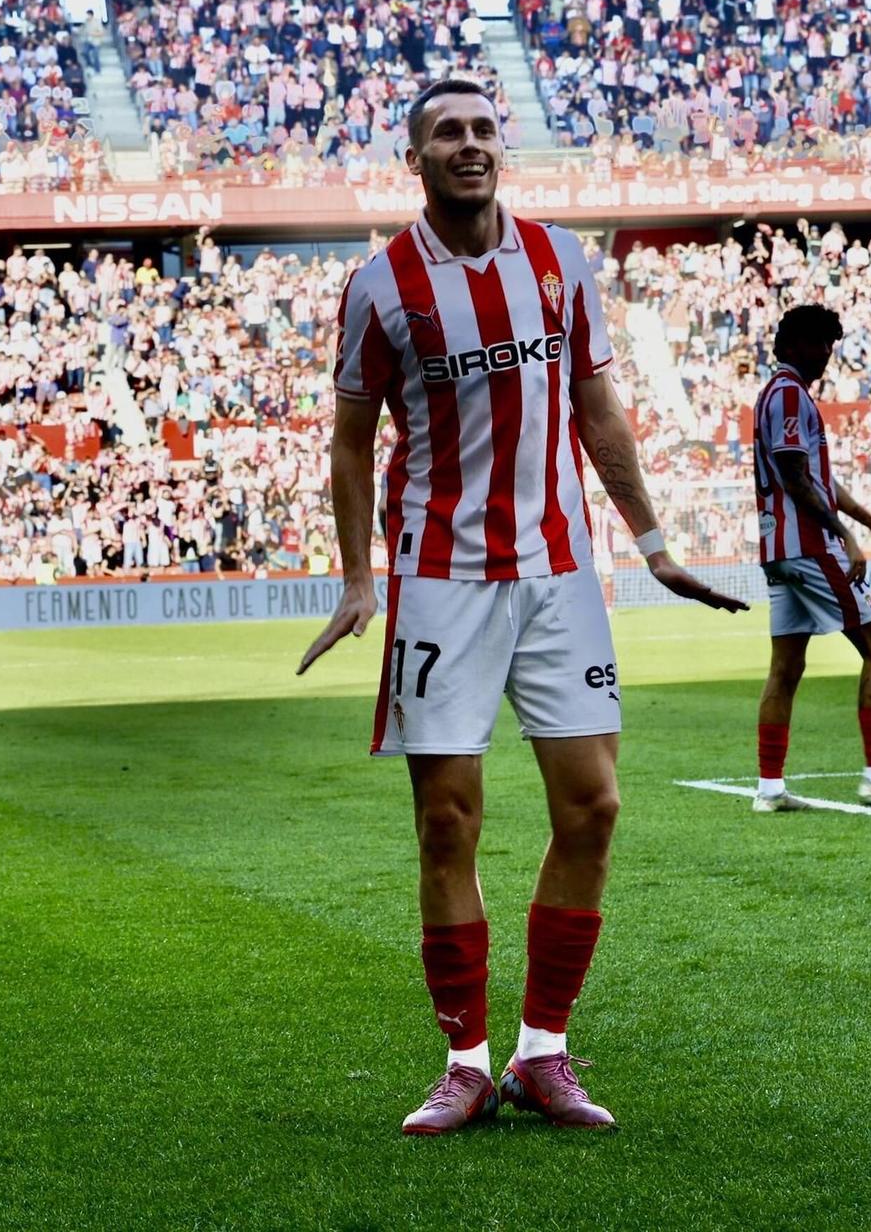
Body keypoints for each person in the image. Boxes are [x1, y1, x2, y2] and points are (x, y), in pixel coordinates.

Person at [295, 79, 745, 1138]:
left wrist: (654, 545)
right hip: (439, 578)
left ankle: (543, 1051)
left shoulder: (560, 260)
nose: (469, 144)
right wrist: (358, 578)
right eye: (446, 132)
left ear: (503, 147)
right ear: (414, 159)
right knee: (446, 820)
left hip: (560, 571)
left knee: (593, 807)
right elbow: (351, 442)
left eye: (483, 129)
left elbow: (597, 409)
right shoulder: (381, 284)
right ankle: (463, 1064)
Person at [749, 303, 871, 814]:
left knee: (786, 667)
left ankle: (769, 788)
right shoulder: (789, 395)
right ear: (791, 345)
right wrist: (845, 535)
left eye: (830, 343)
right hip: (810, 545)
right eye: (818, 343)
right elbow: (795, 476)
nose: (826, 353)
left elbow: (820, 480)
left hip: (781, 549)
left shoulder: (778, 395)